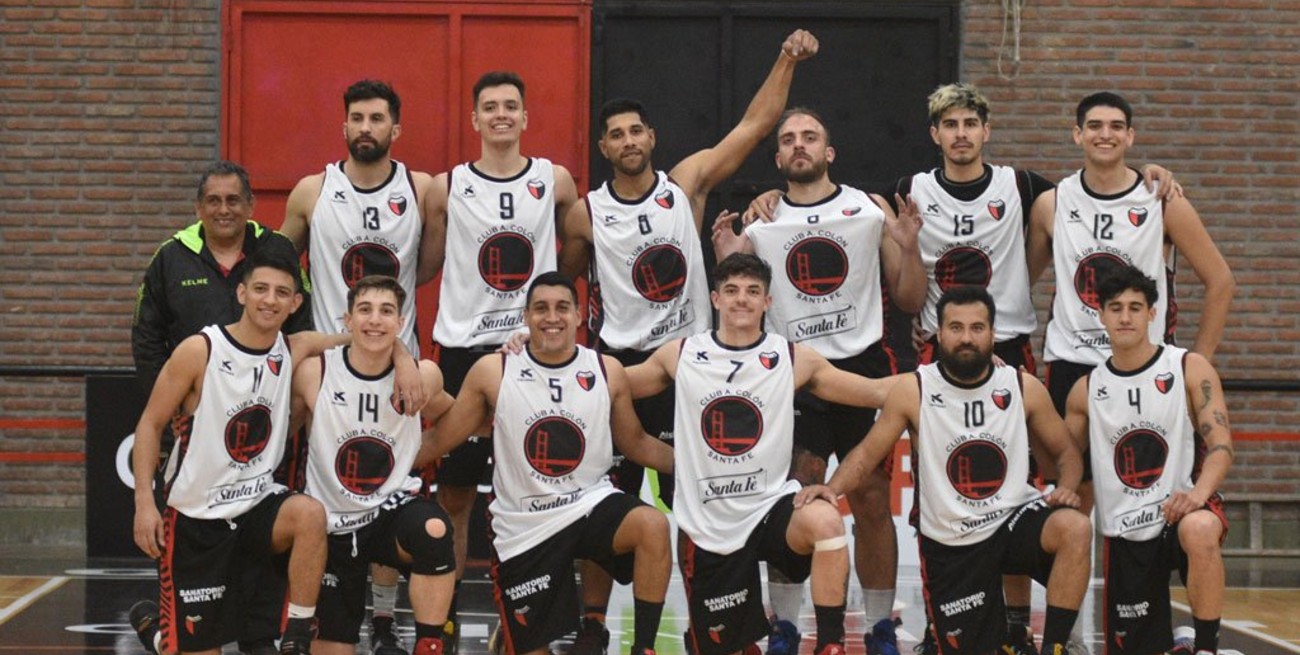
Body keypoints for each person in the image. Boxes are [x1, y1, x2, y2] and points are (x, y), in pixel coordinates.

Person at [558, 29, 819, 651]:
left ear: (651, 137)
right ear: (603, 146)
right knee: (601, 501)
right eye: (616, 134)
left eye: (636, 131)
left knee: (714, 503)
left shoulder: (685, 185)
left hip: (689, 368)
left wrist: (786, 58)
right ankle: (593, 624)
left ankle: (724, 624)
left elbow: (755, 125)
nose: (628, 141)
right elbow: (562, 286)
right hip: (624, 370)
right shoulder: (585, 213)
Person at [711, 107, 925, 655]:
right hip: (795, 377)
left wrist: (908, 246)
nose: (799, 145)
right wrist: (727, 256)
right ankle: (784, 624)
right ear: (778, 157)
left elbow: (909, 300)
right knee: (796, 495)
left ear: (829, 152)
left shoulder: (868, 209)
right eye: (788, 139)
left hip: (860, 368)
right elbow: (737, 309)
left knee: (872, 499)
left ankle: (879, 625)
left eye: (810, 137)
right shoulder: (761, 223)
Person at [626, 254, 900, 655]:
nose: (742, 299)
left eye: (753, 291)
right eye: (732, 290)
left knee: (826, 522)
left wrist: (964, 375)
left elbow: (876, 391)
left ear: (767, 302)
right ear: (715, 299)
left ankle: (830, 645)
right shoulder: (680, 353)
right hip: (710, 522)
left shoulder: (793, 357)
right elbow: (612, 383)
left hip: (771, 510)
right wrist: (544, 361)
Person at [797, 286, 1093, 655]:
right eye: (956, 327)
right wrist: (832, 488)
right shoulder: (915, 389)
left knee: (1075, 527)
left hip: (1010, 522)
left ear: (993, 334)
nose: (966, 337)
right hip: (954, 543)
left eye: (976, 328)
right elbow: (867, 454)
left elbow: (1067, 454)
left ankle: (1055, 647)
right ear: (939, 333)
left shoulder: (1021, 386)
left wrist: (1066, 487)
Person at [427, 272, 674, 655]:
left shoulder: (606, 370)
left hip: (587, 505)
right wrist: (390, 465)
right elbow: (442, 438)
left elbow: (637, 443)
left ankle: (643, 648)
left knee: (653, 526)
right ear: (525, 317)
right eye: (541, 308)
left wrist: (700, 465)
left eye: (562, 308)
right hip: (525, 525)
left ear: (578, 315)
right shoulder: (495, 371)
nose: (552, 317)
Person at [129, 160, 313, 655]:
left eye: (234, 200)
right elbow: (146, 339)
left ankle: (269, 636)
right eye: (213, 200)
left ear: (251, 205)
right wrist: (181, 410)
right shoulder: (171, 257)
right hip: (197, 433)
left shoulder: (276, 249)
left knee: (282, 534)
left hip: (259, 439)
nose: (224, 209)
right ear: (198, 207)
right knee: (197, 614)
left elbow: (306, 335)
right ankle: (166, 634)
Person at [423, 71, 581, 644]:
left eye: (510, 106)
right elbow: (427, 263)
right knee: (456, 495)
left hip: (533, 355)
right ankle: (442, 616)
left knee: (537, 493)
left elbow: (576, 251)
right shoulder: (446, 187)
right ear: (474, 119)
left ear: (525, 117)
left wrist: (549, 319)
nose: (500, 115)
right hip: (463, 351)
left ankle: (524, 619)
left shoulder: (554, 180)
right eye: (489, 107)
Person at [281, 78, 432, 654]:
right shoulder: (312, 190)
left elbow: (426, 266)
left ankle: (388, 622)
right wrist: (330, 338)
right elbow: (279, 266)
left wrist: (397, 348)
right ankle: (309, 619)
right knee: (325, 493)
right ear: (343, 126)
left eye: (377, 118)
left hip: (398, 366)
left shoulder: (421, 189)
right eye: (357, 118)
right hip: (329, 371)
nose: (366, 127)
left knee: (390, 486)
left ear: (396, 128)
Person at [1029, 91, 1234, 418]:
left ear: (1130, 136)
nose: (1105, 134)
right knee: (1066, 454)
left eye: (1116, 126)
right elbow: (1019, 283)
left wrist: (1198, 364)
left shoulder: (1163, 201)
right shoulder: (1051, 203)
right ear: (1078, 134)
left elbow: (1221, 281)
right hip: (1071, 362)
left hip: (1146, 362)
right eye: (1094, 126)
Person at [1064, 265, 1232, 655]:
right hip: (1125, 529)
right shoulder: (1085, 390)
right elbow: (1063, 459)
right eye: (1116, 308)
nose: (1125, 317)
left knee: (1201, 528)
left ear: (1152, 313)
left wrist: (1197, 496)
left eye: (1135, 308)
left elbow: (1222, 447)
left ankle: (1206, 648)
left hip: (1179, 511)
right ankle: (1180, 641)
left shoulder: (1188, 368)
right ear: (1101, 315)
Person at [294, 275, 457, 655]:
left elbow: (456, 417)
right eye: (365, 310)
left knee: (433, 529)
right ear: (347, 320)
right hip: (331, 520)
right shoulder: (313, 372)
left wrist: (418, 453)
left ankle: (429, 646)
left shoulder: (422, 376)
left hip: (388, 511)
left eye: (386, 311)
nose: (375, 319)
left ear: (401, 323)